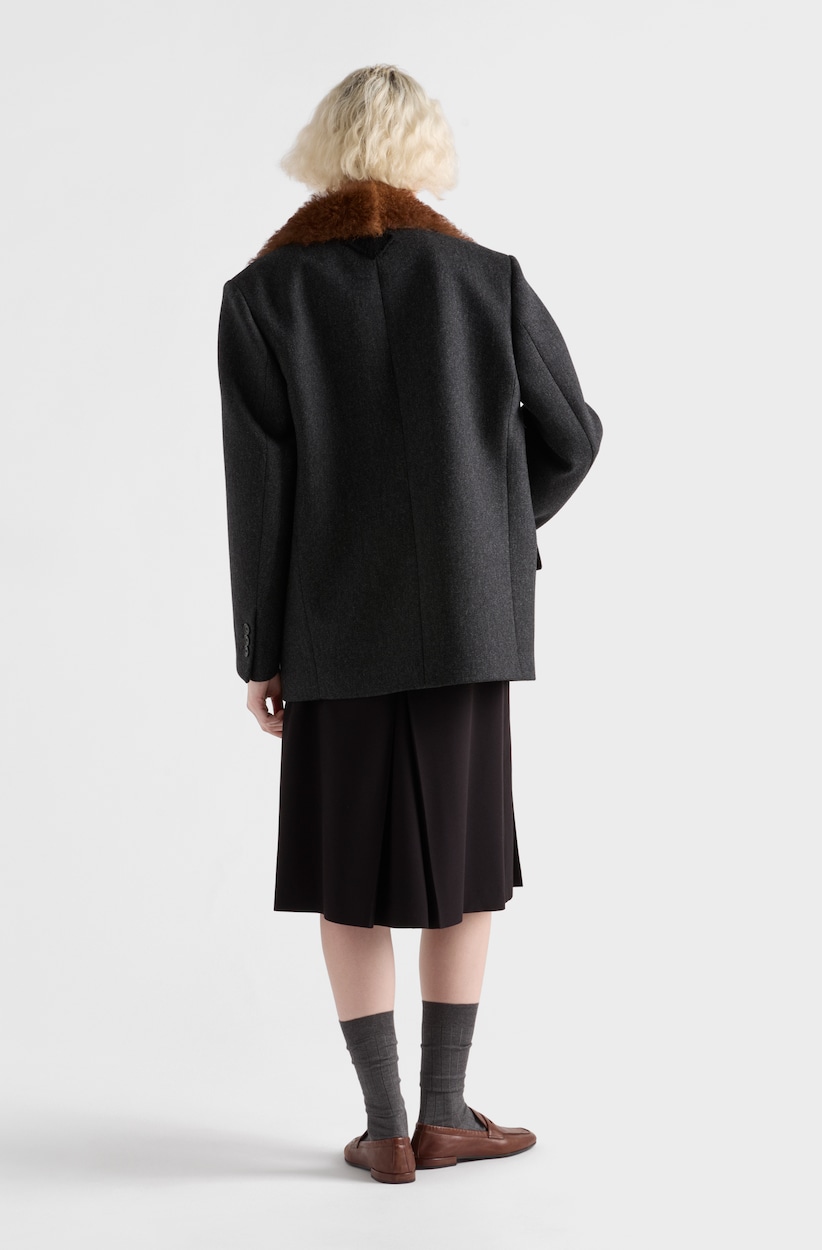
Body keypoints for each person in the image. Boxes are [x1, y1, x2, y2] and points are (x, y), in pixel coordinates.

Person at [217, 65, 603, 1185]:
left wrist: (262, 653)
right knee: (463, 869)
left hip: (330, 629)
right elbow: (574, 435)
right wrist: (490, 530)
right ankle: (445, 1112)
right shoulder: (487, 278)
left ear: (323, 148)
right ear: (425, 150)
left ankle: (385, 1127)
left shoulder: (262, 295)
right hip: (469, 627)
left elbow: (260, 496)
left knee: (348, 873)